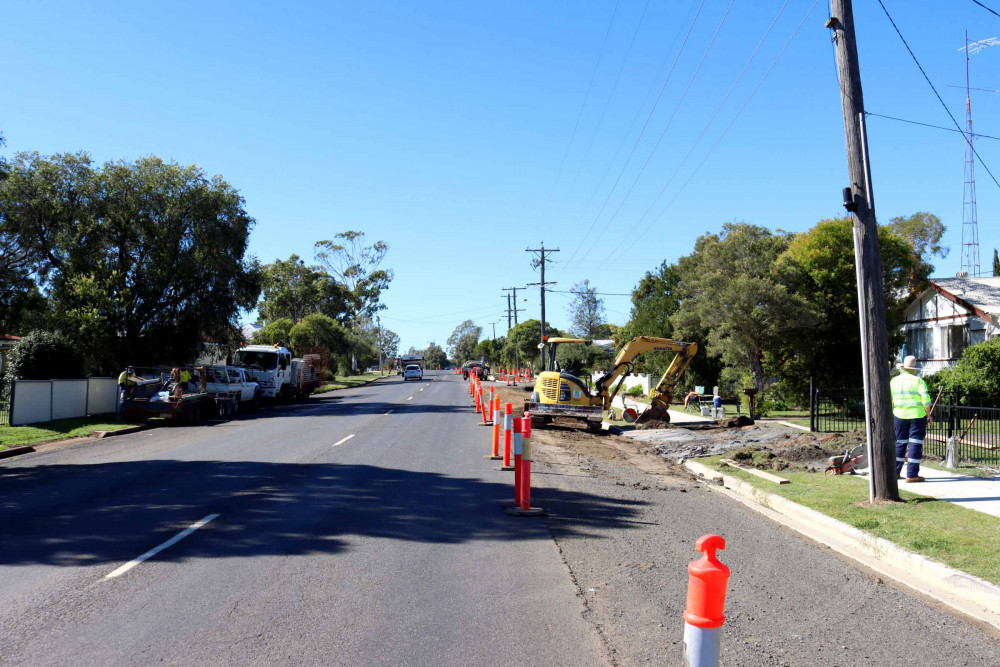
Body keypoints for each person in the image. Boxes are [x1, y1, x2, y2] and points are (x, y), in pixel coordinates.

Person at [890, 355, 933, 482]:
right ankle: (912, 474)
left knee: (900, 443)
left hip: (899, 415)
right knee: (915, 443)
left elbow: (890, 399)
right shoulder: (918, 381)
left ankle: (895, 472)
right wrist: (929, 416)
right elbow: (926, 401)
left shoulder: (894, 381)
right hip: (917, 416)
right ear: (914, 369)